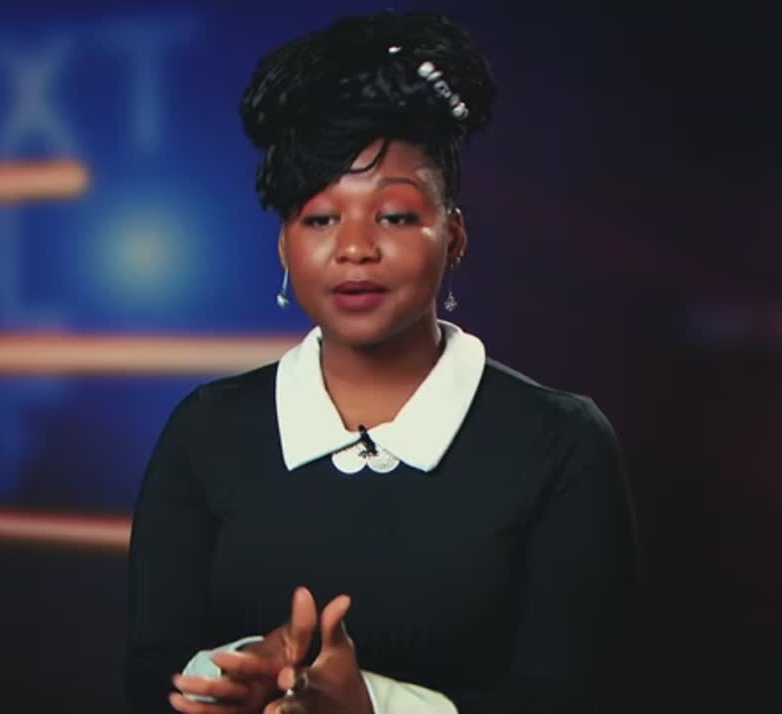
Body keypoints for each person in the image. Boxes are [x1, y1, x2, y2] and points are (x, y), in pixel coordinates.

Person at [125, 10, 637, 714]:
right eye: (320, 218)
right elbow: (148, 676)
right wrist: (238, 675)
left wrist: (374, 706)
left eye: (394, 216)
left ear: (453, 235)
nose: (355, 248)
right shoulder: (205, 430)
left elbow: (581, 696)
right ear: (284, 245)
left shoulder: (561, 442)